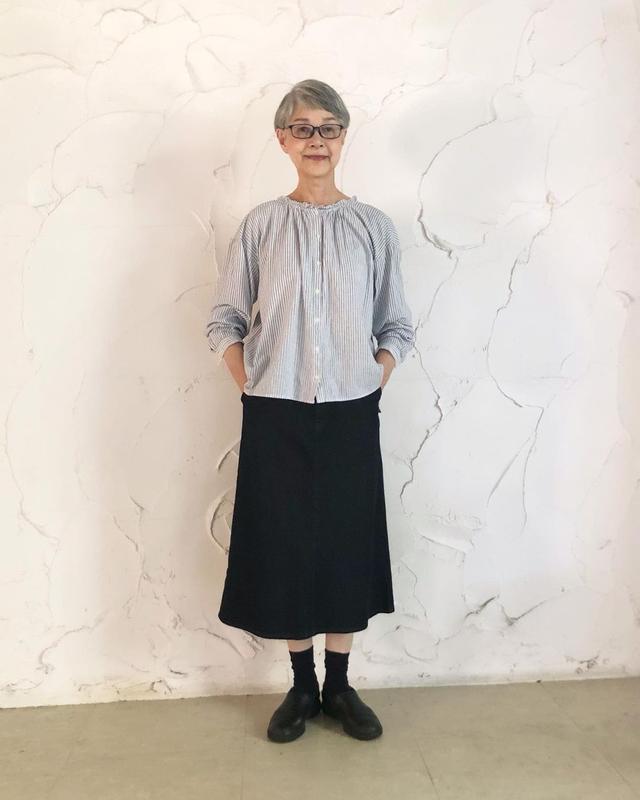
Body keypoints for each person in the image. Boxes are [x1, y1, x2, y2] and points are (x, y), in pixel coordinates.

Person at [205, 79, 415, 743]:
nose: (316, 140)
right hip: (277, 411)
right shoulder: (261, 226)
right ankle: (300, 685)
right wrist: (250, 382)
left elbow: (397, 324)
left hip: (352, 409)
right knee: (285, 544)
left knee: (347, 543)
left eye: (328, 128)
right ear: (282, 140)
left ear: (344, 137)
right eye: (303, 128)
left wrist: (373, 377)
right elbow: (224, 318)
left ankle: (340, 685)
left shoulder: (373, 228)